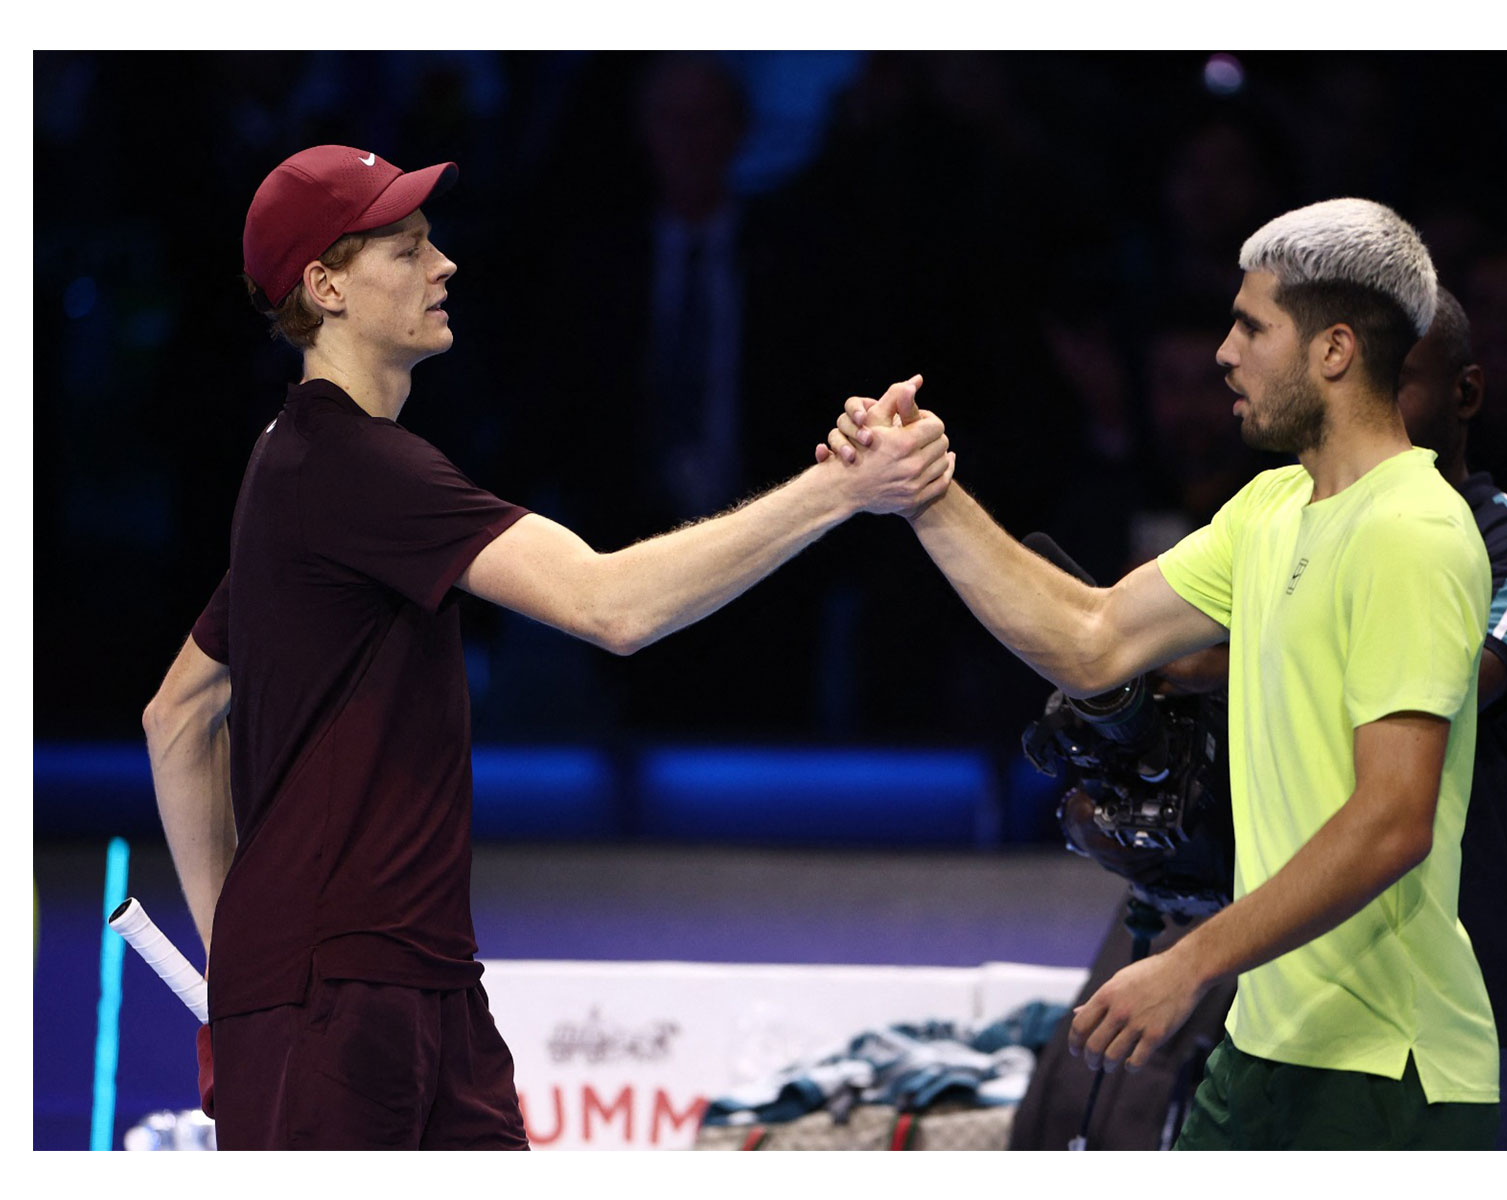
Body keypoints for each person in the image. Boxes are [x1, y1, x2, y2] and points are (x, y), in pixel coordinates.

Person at [140, 143, 953, 1151]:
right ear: (324, 287)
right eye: (404, 247)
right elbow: (612, 607)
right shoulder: (352, 464)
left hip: (403, 983)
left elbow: (174, 714)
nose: (443, 265)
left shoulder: (300, 471)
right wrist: (841, 490)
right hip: (339, 996)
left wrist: (240, 968)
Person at [824, 197, 1498, 1149]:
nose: (1224, 352)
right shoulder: (1274, 505)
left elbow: (1393, 823)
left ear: (1335, 351)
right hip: (1264, 1044)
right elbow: (1091, 634)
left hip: (1387, 1068)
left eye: (1252, 326)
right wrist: (921, 492)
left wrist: (1189, 964)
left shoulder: (1412, 528)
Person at [1396, 285, 1507, 1150]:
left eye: (1403, 384)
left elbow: (1446, 684)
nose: (1371, 416)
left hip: (1500, 1019)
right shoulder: (1283, 535)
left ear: (1465, 393)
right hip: (1331, 1029)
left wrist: (1230, 658)